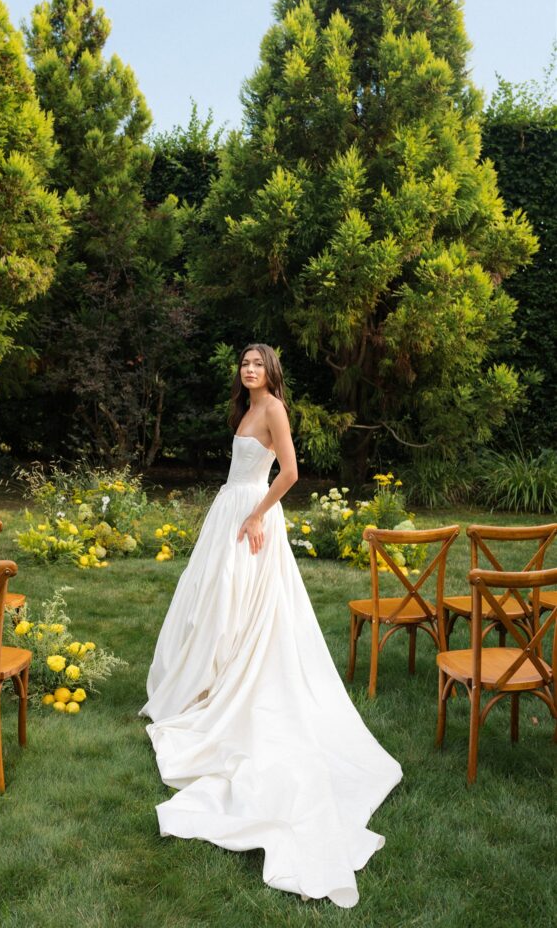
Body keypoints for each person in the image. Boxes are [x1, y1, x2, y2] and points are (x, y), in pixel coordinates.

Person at [140, 343, 402, 907]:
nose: (249, 369)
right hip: (230, 509)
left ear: (272, 371)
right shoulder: (243, 409)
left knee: (244, 607)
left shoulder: (276, 408)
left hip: (253, 516)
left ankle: (235, 682)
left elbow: (291, 472)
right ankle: (208, 681)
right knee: (212, 602)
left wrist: (258, 514)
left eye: (257, 363)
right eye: (243, 363)